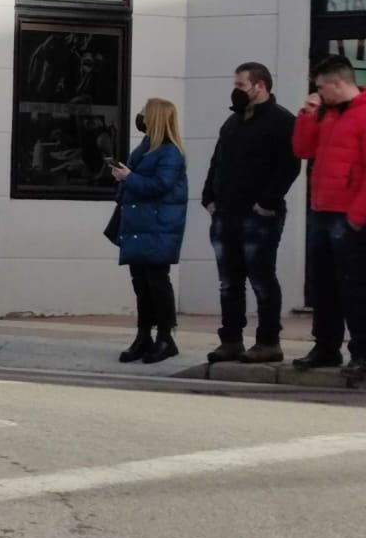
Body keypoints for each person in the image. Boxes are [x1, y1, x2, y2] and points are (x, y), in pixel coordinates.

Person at [199, 62, 300, 364]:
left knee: (261, 278)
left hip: (259, 217)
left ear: (260, 85)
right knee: (229, 281)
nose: (236, 90)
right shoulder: (233, 122)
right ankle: (231, 340)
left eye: (241, 85)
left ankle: (269, 341)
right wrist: (208, 198)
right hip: (225, 213)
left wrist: (266, 203)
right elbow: (217, 161)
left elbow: (289, 166)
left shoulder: (282, 121)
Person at [292, 55, 366, 376]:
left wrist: (358, 213)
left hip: (348, 214)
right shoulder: (328, 115)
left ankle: (361, 352)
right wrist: (307, 116)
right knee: (324, 285)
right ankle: (326, 347)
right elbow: (302, 150)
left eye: (321, 87)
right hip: (322, 210)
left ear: (338, 83)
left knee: (355, 286)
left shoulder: (362, 115)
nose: (318, 92)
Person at [112, 98, 189, 365]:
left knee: (157, 282)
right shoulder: (145, 148)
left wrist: (129, 177)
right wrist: (124, 177)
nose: (140, 117)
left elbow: (160, 185)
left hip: (158, 228)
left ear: (155, 118)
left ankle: (166, 337)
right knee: (141, 284)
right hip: (140, 226)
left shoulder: (170, 152)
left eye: (145, 113)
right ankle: (144, 336)